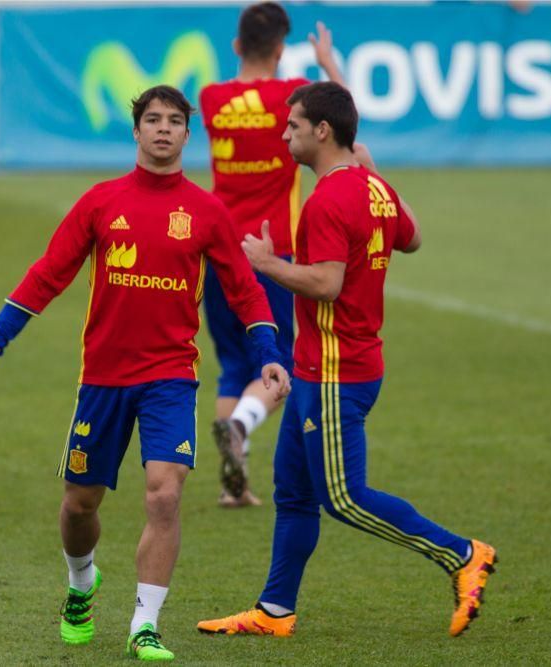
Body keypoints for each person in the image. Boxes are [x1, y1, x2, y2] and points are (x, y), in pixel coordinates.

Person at [0, 85, 290, 662]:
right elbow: (47, 275)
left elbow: (244, 289)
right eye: (153, 120)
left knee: (165, 497)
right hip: (104, 382)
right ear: (136, 132)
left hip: (169, 379)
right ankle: (82, 583)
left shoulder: (208, 211)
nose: (163, 129)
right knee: (79, 505)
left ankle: (145, 624)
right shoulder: (100, 202)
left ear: (189, 135)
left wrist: (267, 348)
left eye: (174, 122)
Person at [196, 82, 497, 639]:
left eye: (292, 126)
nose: (284, 134)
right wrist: (377, 173)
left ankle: (463, 554)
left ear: (322, 131)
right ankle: (274, 610)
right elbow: (413, 237)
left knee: (343, 497)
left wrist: (265, 263)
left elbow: (326, 285)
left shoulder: (328, 200)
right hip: (321, 367)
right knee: (293, 492)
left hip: (338, 371)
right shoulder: (370, 187)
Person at [199, 2, 345, 508]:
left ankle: (230, 482)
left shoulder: (212, 98)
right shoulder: (291, 96)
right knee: (276, 364)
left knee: (231, 365)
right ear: (281, 50)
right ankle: (240, 426)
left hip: (218, 251)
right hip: (271, 250)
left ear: (237, 47)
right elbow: (341, 115)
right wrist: (327, 65)